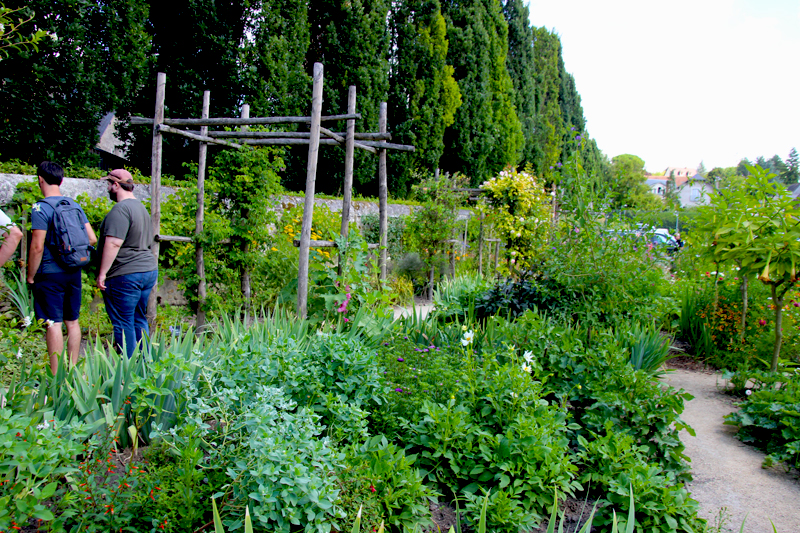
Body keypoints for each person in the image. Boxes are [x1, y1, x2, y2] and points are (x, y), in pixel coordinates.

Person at [27, 161, 97, 374]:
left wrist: (30, 275)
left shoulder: (40, 208)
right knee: (73, 322)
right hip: (73, 271)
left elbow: (37, 246)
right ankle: (73, 370)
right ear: (62, 180)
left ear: (40, 179)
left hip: (49, 274)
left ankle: (56, 376)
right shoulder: (73, 205)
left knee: (53, 323)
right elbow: (92, 238)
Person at [96, 169, 157, 358]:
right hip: (147, 270)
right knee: (139, 318)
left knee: (123, 322)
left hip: (125, 274)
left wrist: (102, 273)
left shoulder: (120, 209)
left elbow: (114, 242)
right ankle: (145, 366)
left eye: (108, 184)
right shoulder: (140, 207)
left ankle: (127, 372)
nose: (107, 188)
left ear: (116, 185)